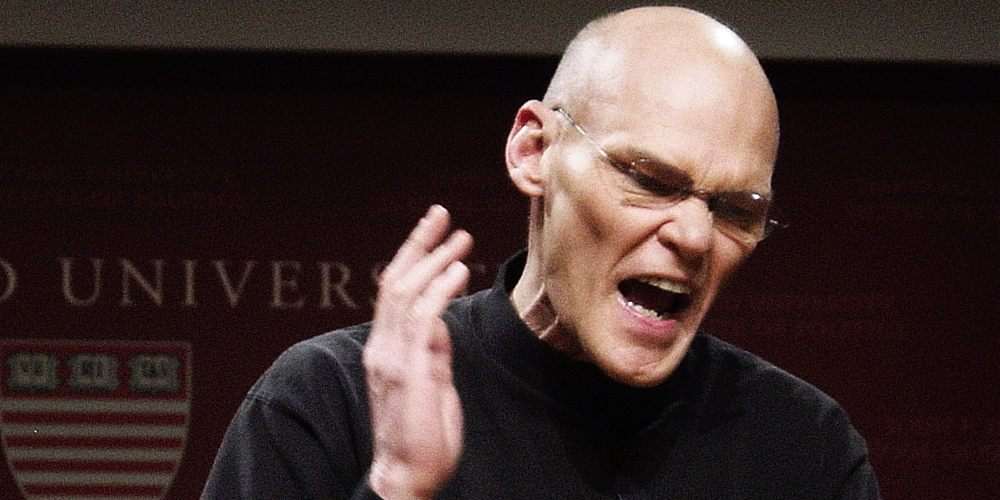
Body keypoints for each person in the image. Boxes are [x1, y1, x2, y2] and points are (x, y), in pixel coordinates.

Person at [203, 6, 880, 499]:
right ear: (534, 151)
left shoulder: (804, 451)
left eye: (735, 210)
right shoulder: (328, 403)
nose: (695, 237)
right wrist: (398, 486)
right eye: (649, 180)